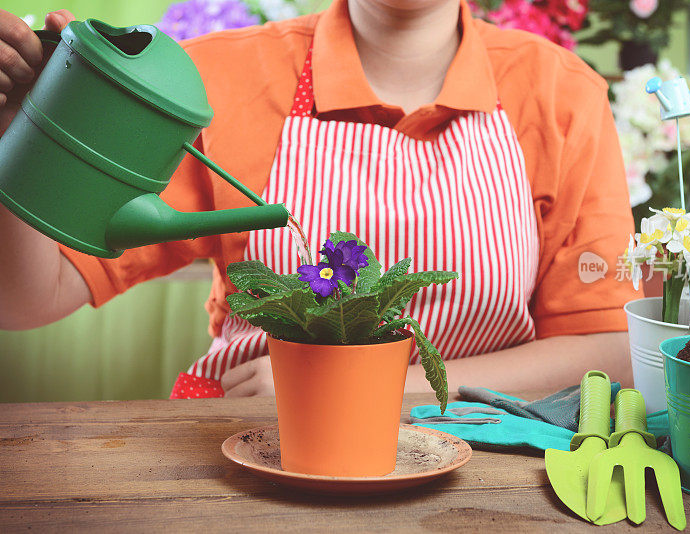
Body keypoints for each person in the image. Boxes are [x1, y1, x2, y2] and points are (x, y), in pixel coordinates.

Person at [0, 0, 640, 399]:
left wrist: (375, 390)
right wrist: (17, 142)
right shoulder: (219, 80)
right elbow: (25, 299)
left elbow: (610, 350)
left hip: (482, 467)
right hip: (255, 454)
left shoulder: (560, 93)